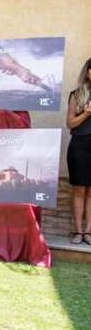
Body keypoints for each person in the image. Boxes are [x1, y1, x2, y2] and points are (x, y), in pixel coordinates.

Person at [66, 57, 91, 245]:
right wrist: (86, 113)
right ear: (87, 72)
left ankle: (88, 232)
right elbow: (70, 123)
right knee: (79, 190)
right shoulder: (76, 95)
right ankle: (77, 231)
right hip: (80, 146)